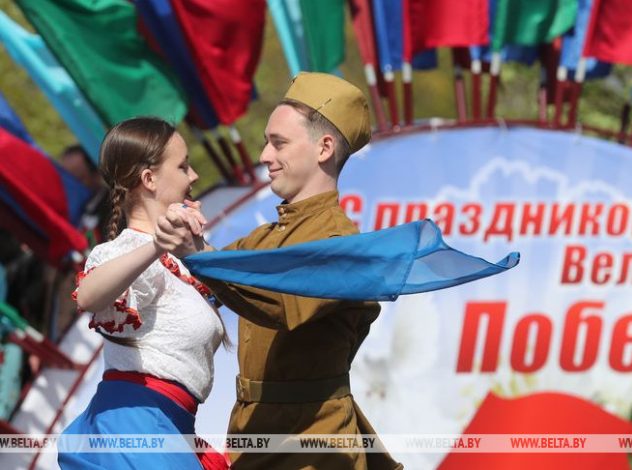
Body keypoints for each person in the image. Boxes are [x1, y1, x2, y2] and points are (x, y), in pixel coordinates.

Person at [156, 72, 403, 469]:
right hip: (254, 435)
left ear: (324, 148)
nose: (264, 156)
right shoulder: (263, 238)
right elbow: (208, 279)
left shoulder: (343, 243)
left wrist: (197, 255)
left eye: (279, 143)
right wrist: (157, 221)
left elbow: (282, 305)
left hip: (315, 445)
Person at [58, 117, 229, 469]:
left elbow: (242, 287)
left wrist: (190, 247)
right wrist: (156, 244)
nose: (194, 176)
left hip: (168, 426)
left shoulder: (175, 256)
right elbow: (88, 297)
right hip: (137, 426)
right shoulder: (130, 251)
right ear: (149, 179)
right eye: (183, 166)